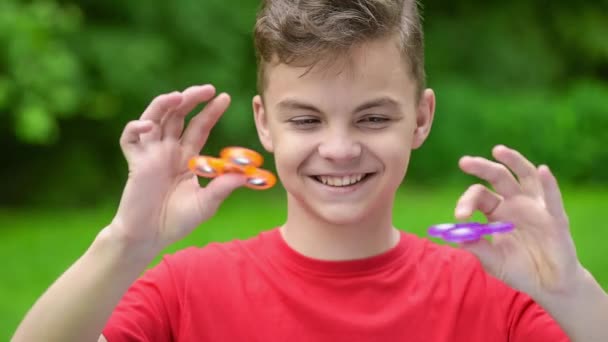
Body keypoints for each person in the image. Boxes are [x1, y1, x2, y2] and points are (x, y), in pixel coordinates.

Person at [12, 0, 608, 341]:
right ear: (264, 122)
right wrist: (125, 244)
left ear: (421, 118)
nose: (341, 148)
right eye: (306, 121)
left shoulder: (496, 297)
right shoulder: (184, 291)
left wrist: (570, 291)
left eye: (373, 118)